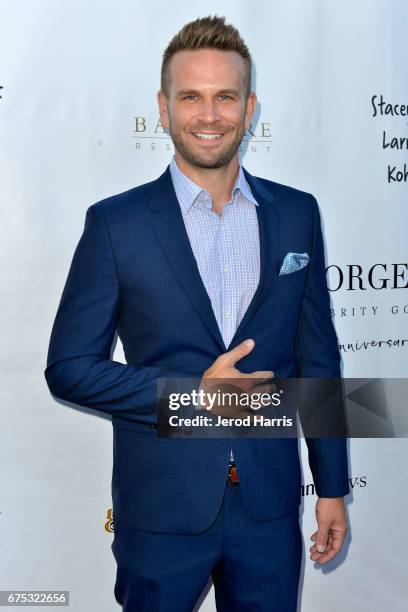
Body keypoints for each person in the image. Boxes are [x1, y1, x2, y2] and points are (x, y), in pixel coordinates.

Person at [44, 15, 350, 612]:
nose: (209, 115)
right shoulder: (116, 224)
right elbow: (69, 368)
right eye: (191, 97)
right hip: (161, 511)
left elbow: (319, 358)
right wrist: (190, 396)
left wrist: (332, 487)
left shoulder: (296, 214)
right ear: (164, 108)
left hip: (269, 509)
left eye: (225, 97)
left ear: (249, 106)